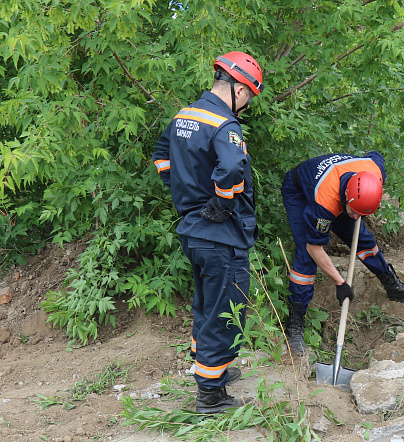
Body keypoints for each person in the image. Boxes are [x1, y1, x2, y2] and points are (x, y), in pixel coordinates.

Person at [151, 51, 264, 414]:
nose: (246, 104)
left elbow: (161, 155)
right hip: (221, 235)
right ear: (240, 90)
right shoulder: (224, 125)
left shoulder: (185, 114)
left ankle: (211, 372)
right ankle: (210, 397)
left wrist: (183, 190)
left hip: (193, 231)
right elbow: (231, 168)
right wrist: (219, 203)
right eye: (249, 96)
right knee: (224, 311)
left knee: (205, 304)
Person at [280, 152, 404, 355]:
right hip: (299, 191)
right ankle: (295, 325)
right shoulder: (325, 202)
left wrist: (355, 209)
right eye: (355, 211)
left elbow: (376, 155)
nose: (358, 217)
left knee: (363, 240)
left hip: (342, 193)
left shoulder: (375, 172)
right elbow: (314, 248)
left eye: (363, 213)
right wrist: (340, 283)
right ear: (347, 196)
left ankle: (391, 285)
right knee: (306, 257)